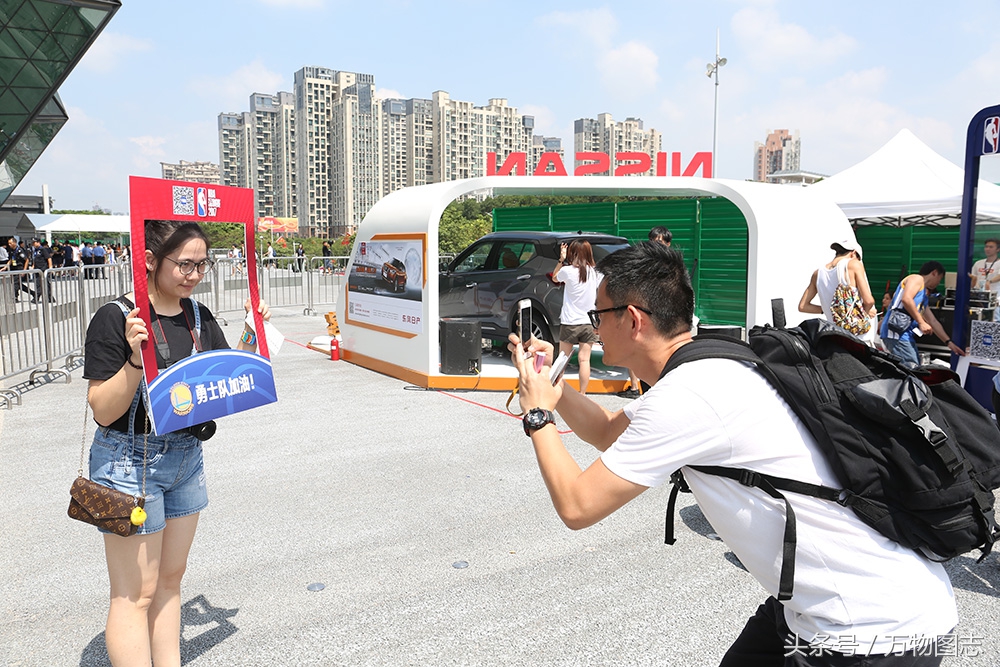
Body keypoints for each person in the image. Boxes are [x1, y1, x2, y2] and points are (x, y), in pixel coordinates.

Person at [510, 241, 956, 665]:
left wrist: (537, 415)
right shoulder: (712, 366)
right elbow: (609, 432)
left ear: (632, 319)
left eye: (599, 314)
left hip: (868, 630)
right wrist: (553, 384)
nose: (594, 327)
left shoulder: (689, 396)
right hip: (817, 611)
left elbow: (578, 505)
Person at [83, 220, 270, 667]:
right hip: (129, 462)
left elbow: (228, 379)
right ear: (150, 261)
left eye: (202, 264)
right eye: (184, 263)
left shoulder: (198, 316)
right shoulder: (118, 317)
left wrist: (252, 333)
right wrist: (133, 357)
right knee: (135, 593)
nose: (194, 274)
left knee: (170, 581)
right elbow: (103, 409)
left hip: (187, 458)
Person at [880, 261, 965, 367]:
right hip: (897, 334)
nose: (939, 283)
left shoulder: (923, 296)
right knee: (912, 370)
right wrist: (921, 322)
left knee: (911, 368)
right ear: (934, 273)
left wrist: (949, 343)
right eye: (940, 278)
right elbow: (906, 299)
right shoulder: (916, 279)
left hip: (904, 335)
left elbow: (932, 321)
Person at [620, 226, 672, 398]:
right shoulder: (643, 266)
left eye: (660, 243)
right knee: (645, 363)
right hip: (646, 322)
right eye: (652, 242)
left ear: (668, 244)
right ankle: (646, 398)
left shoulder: (673, 268)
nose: (655, 246)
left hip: (664, 324)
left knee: (662, 364)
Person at [797, 239, 877, 344]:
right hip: (858, 337)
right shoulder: (853, 264)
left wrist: (829, 309)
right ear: (853, 253)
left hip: (835, 336)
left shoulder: (818, 273)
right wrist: (864, 314)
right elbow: (869, 301)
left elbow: (803, 306)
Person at [550, 239, 601, 394]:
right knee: (584, 360)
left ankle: (557, 391)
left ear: (573, 253)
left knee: (562, 360)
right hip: (589, 323)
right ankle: (583, 394)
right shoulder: (596, 273)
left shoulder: (568, 271)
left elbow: (554, 277)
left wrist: (561, 259)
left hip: (570, 321)